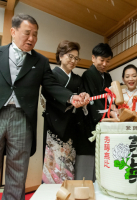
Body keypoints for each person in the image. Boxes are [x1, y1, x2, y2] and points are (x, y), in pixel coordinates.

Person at [0, 14, 87, 200]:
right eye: (27, 33)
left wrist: (71, 97)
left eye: (35, 35)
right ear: (13, 31)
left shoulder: (41, 61)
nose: (32, 39)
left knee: (17, 172)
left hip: (22, 119)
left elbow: (51, 86)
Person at [41, 40, 89, 184]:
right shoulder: (51, 75)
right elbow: (47, 93)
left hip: (71, 126)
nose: (73, 61)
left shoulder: (77, 79)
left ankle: (67, 192)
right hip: (54, 124)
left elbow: (81, 99)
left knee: (68, 164)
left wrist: (83, 97)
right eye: (70, 56)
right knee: (52, 164)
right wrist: (71, 99)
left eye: (76, 58)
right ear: (61, 56)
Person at [75, 43, 114, 181]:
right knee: (89, 159)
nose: (104, 64)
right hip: (92, 122)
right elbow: (93, 101)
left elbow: (110, 98)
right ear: (93, 58)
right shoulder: (87, 75)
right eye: (101, 60)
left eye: (107, 61)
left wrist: (113, 109)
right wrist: (107, 114)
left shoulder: (108, 77)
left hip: (104, 121)